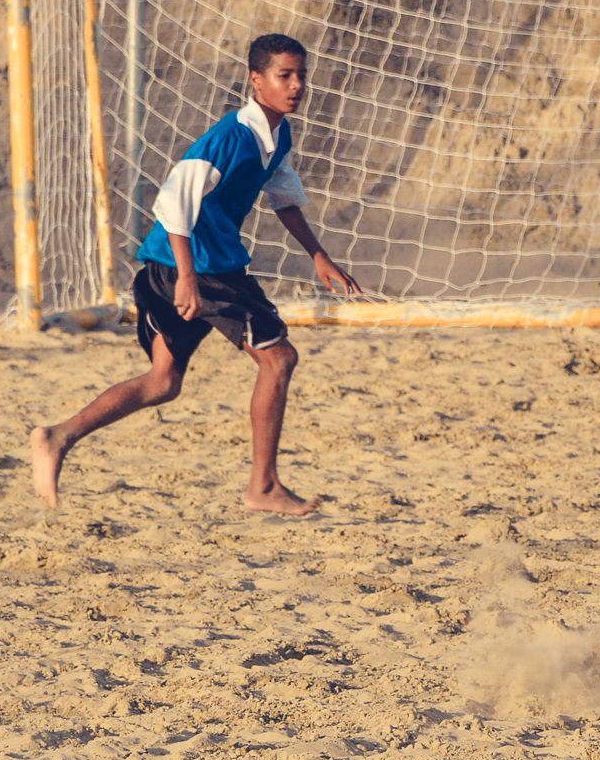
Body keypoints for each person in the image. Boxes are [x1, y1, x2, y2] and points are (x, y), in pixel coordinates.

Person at [30, 34, 362, 516]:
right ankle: (263, 488)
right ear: (256, 80)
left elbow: (284, 200)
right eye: (284, 76)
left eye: (301, 75)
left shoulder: (278, 135)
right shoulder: (230, 137)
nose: (296, 86)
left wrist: (318, 254)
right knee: (278, 359)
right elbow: (171, 202)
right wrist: (187, 278)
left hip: (185, 265)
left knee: (163, 382)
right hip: (199, 268)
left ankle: (56, 437)